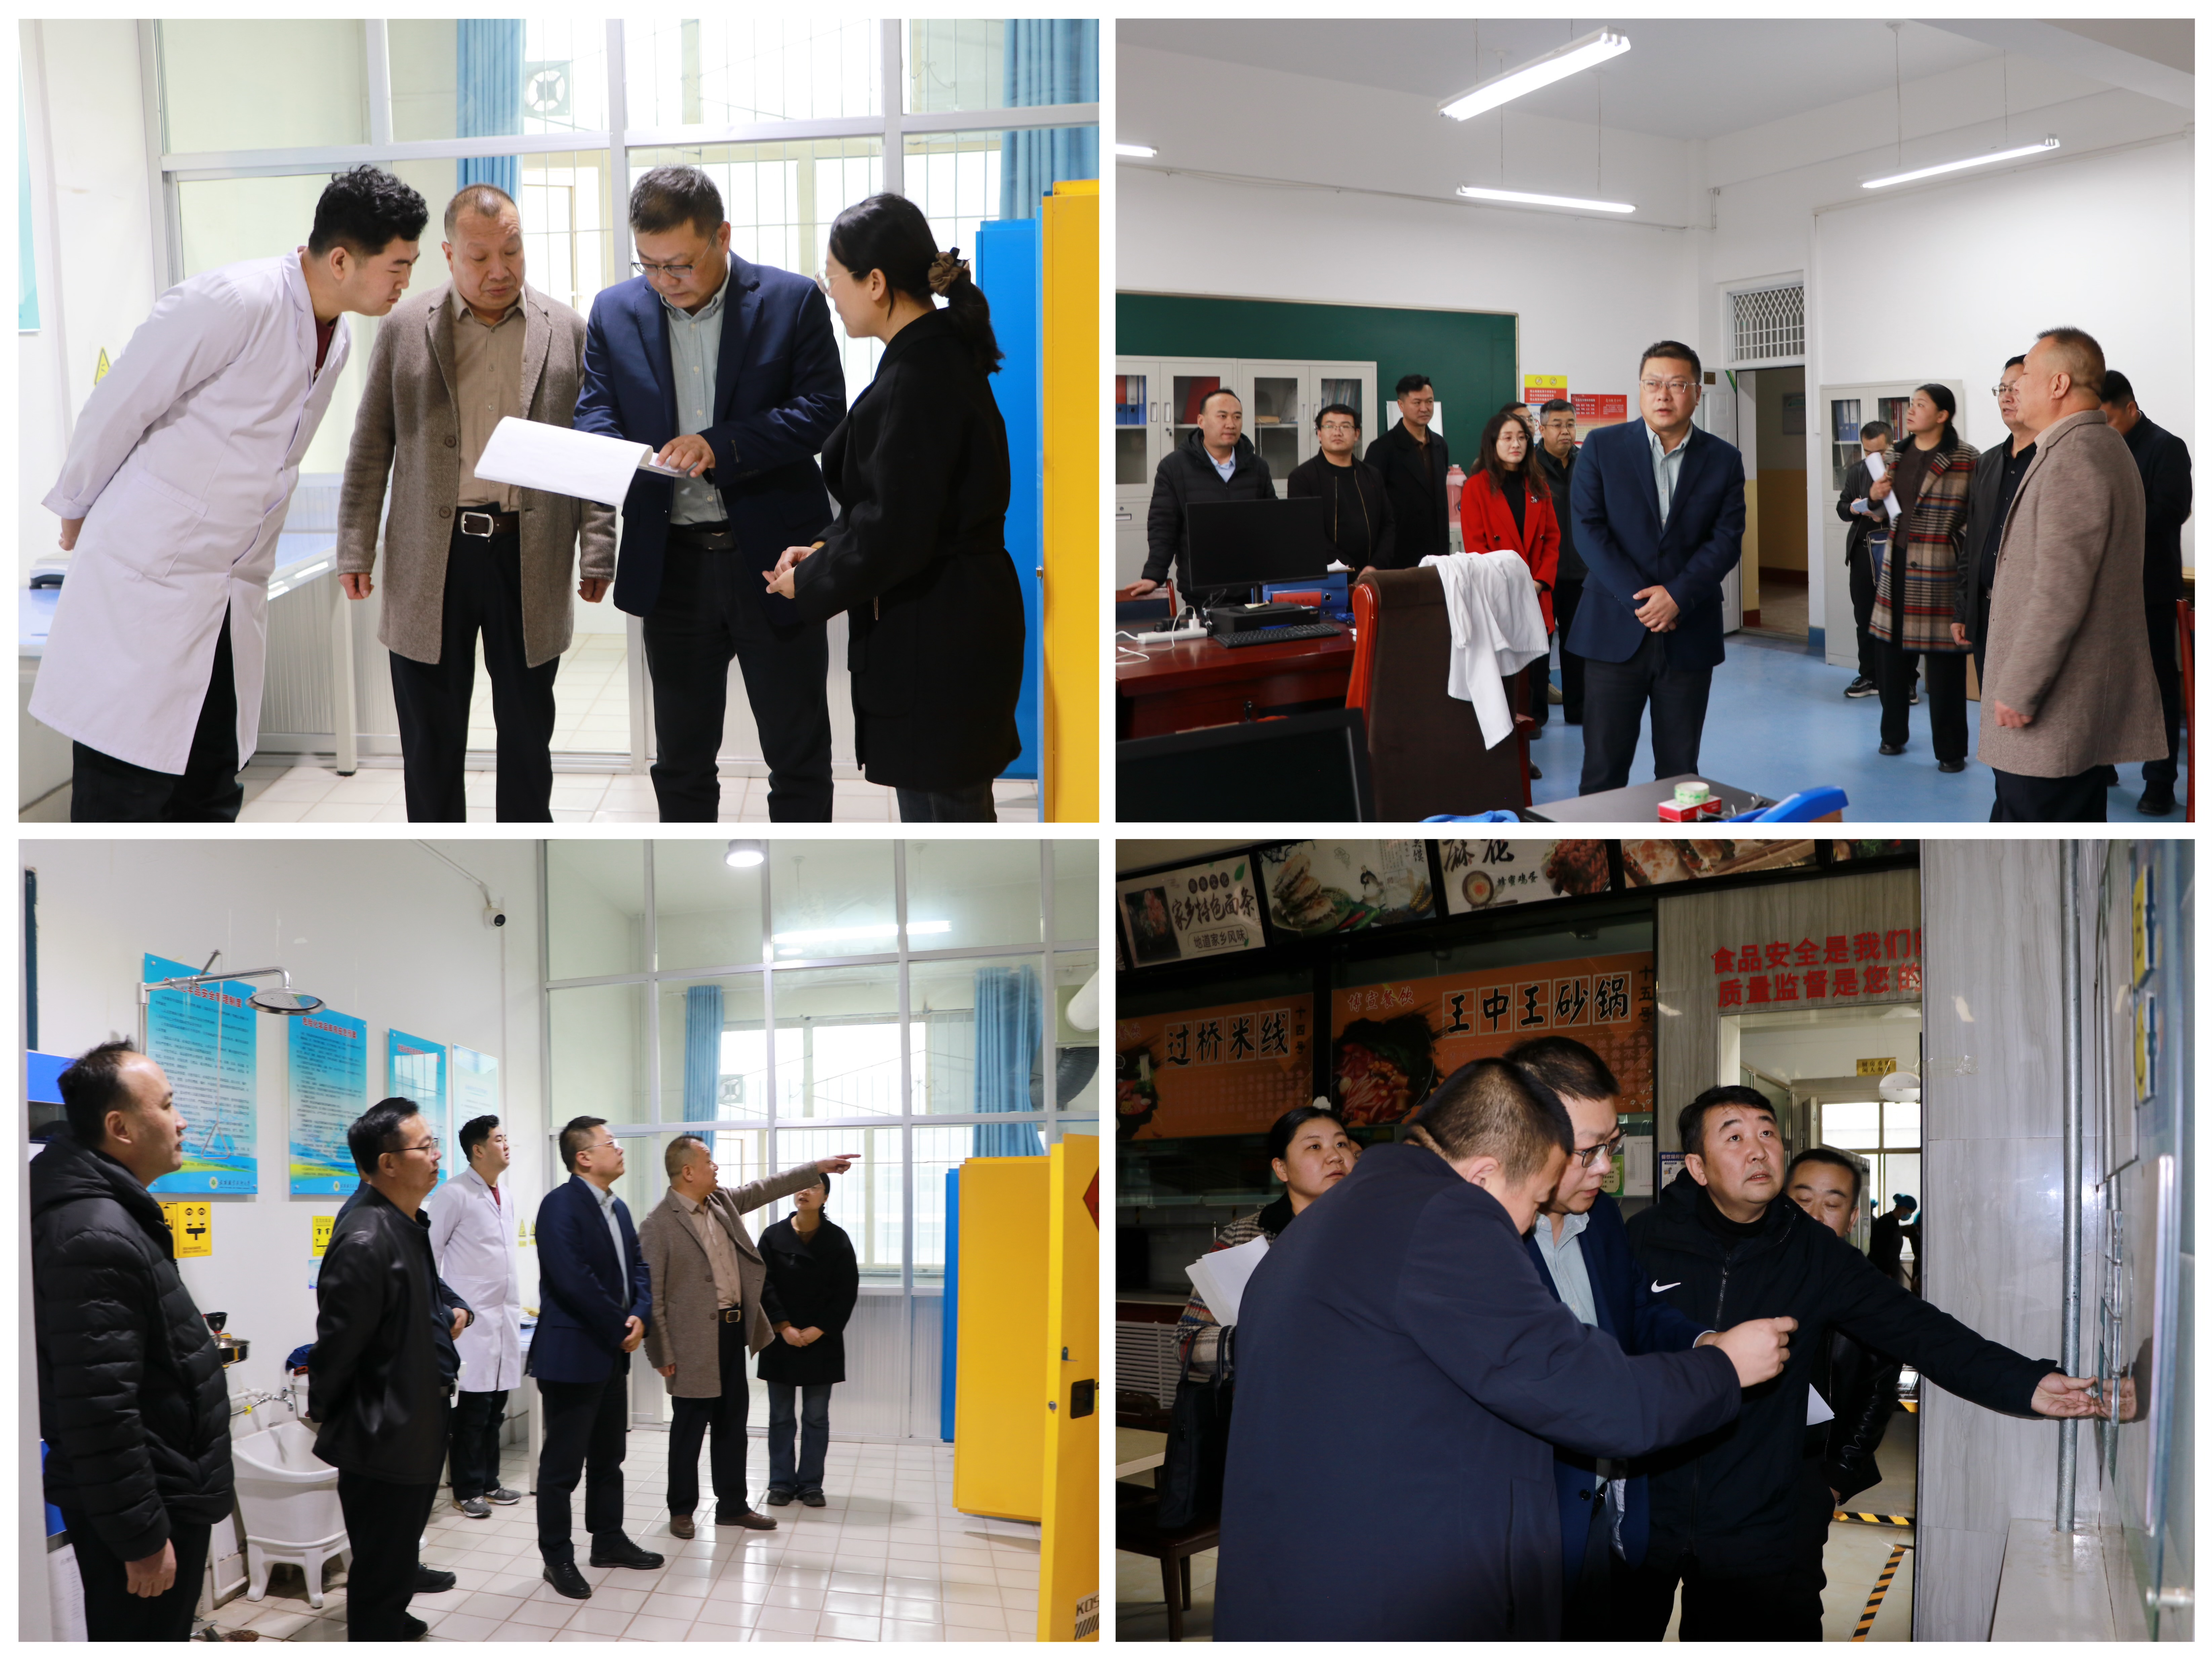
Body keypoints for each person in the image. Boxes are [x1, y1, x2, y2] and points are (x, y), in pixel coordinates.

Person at [1212, 1059, 1789, 1641]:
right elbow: (1586, 1392)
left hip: (1304, 1578)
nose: (1529, 1224)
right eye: (1535, 1201)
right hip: (1389, 1596)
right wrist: (1723, 1367)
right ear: (1485, 1175)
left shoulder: (1334, 1216)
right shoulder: (1446, 1217)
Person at [1620, 1086, 2107, 1641]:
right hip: (1642, 1509)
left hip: (1752, 1522)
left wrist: (2027, 1383)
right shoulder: (1644, 1240)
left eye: (1767, 1133)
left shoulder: (1815, 1253)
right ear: (1697, 1167)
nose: (1758, 1150)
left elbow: (1920, 1330)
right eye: (1734, 1138)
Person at [35, 166, 425, 822]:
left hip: (228, 590)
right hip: (151, 577)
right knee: (127, 795)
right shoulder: (233, 301)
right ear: (341, 260)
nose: (405, 282)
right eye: (398, 266)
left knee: (212, 787)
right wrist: (76, 504)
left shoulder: (335, 337)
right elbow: (121, 402)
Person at [575, 165, 846, 822]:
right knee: (681, 760)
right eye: (649, 265)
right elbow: (595, 411)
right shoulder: (614, 311)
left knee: (798, 753)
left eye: (680, 264)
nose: (664, 281)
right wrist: (612, 454)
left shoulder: (790, 301)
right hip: (671, 564)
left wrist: (720, 445)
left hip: (774, 562)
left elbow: (822, 410)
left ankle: (798, 866)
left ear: (721, 236)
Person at [337, 184, 615, 822]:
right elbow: (371, 445)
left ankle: (524, 847)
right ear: (448, 255)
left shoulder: (567, 331)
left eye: (511, 252)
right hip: (431, 558)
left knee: (527, 731)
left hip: (529, 553)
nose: (499, 270)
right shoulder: (405, 328)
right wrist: (355, 546)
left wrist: (598, 549)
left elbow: (591, 448)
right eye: (480, 256)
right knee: (430, 739)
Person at [1509, 1037, 1787, 1639]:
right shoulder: (1487, 1244)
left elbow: (1637, 1310)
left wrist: (1708, 1344)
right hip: (1527, 1528)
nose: (1605, 1169)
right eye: (1587, 1152)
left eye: (1610, 1147)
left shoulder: (1603, 1219)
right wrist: (1713, 1373)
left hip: (1607, 1510)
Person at [765, 194, 1024, 822]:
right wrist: (824, 548)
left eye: (834, 277)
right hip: (947, 614)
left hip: (940, 626)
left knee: (949, 814)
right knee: (938, 806)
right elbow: (889, 501)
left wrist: (812, 580)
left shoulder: (922, 374)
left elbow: (898, 528)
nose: (831, 293)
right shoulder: (928, 358)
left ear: (875, 282)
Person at [31, 1043, 232, 1641]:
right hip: (147, 1508)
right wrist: (141, 1537)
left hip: (161, 1489)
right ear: (120, 1128)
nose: (182, 1121)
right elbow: (100, 1408)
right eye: (167, 1106)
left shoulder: (111, 1214)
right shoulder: (93, 1233)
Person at [1978, 327, 2166, 822]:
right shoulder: (2091, 445)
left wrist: (2020, 686)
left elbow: (2059, 591)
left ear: (2058, 384)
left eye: (2026, 376)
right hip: (2066, 701)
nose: (2015, 388)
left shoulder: (2074, 457)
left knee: (2038, 826)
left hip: (2053, 706)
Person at [638, 1136, 856, 1537]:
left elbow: (766, 1187)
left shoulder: (721, 1202)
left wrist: (816, 1168)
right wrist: (661, 1352)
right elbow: (652, 1295)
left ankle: (733, 1506)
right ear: (688, 1171)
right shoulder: (659, 1224)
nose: (716, 1167)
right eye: (708, 1160)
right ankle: (682, 1510)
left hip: (730, 1332)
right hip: (690, 1343)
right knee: (689, 1429)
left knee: (731, 1424)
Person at [310, 1099, 462, 1642]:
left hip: (413, 1423)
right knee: (379, 1570)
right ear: (388, 1163)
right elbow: (338, 1349)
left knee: (396, 1561)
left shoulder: (405, 1223)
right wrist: (332, 1413)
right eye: (425, 1147)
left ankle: (393, 1621)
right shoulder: (366, 1238)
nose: (437, 1155)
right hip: (383, 1437)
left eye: (434, 1143)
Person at [1568, 341, 1747, 795]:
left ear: (1697, 393)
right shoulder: (1601, 447)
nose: (1663, 395)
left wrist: (1676, 596)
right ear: (1640, 389)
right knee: (1603, 770)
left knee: (1680, 772)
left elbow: (1726, 540)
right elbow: (1588, 530)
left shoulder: (1723, 459)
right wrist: (1645, 601)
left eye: (1677, 384)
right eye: (1653, 383)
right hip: (1612, 628)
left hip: (1689, 630)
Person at [529, 1117, 663, 1599]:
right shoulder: (559, 1206)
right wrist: (621, 1326)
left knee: (610, 1458)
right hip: (572, 1354)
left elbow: (640, 1267)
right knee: (562, 1467)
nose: (620, 1150)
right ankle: (557, 1558)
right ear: (583, 1157)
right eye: (611, 1143)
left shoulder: (618, 1208)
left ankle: (608, 1541)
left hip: (610, 1353)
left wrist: (641, 1314)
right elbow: (573, 1280)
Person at [1785, 1147, 1903, 1599]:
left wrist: (1837, 1477)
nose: (1815, 1215)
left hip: (1811, 1469)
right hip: (1739, 1470)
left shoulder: (1869, 1295)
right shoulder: (1746, 1277)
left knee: (1795, 1595)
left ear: (1852, 1218)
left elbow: (1878, 1392)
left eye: (1831, 1204)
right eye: (1802, 1201)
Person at [1176, 1102, 1357, 1349]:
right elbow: (1187, 1343)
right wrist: (1261, 1338)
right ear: (1282, 1169)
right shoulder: (1243, 1237)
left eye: (1342, 1144)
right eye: (1315, 1146)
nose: (1336, 1156)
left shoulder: (1381, 1231)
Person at [1866, 384, 1978, 771]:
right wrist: (1874, 495)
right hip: (1895, 568)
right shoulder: (1894, 455)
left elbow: (1978, 518)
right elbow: (1881, 512)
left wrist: (1950, 543)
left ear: (1942, 415)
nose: (1911, 411)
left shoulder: (1966, 459)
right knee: (1890, 662)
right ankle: (1892, 734)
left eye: (1920, 405)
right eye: (1910, 404)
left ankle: (1950, 751)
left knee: (1945, 670)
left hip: (1939, 573)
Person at [2097, 370, 2193, 816]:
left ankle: (2159, 781)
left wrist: (2110, 518)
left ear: (2130, 408)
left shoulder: (2165, 447)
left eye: (2108, 418)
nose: (2102, 428)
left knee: (2156, 686)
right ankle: (2102, 764)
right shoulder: (2100, 447)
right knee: (2102, 681)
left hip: (2149, 587)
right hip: (2103, 588)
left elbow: (2171, 511)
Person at [426, 1114, 525, 1518]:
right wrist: (443, 1309)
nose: (507, 1145)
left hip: (504, 1317)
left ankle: (489, 1481)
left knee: (496, 1406)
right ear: (478, 1150)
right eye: (499, 1139)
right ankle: (466, 1489)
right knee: (471, 1410)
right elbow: (429, 1256)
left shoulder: (505, 1195)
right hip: (470, 1321)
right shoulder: (453, 1194)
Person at [757, 1172, 863, 1507]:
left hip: (822, 1341)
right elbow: (762, 1285)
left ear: (825, 1197)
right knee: (780, 1417)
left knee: (816, 1417)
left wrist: (820, 1328)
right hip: (781, 1340)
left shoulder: (837, 1239)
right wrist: (783, 1326)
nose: (805, 1191)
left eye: (814, 1187)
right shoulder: (773, 1236)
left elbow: (846, 1291)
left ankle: (811, 1485)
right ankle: (780, 1483)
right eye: (801, 1186)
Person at [1461, 407, 1561, 739]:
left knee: (1537, 666)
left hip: (1536, 592)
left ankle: (1534, 722)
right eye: (1507, 438)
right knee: (1505, 667)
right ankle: (1506, 725)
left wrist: (1539, 581)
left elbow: (1552, 539)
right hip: (1499, 593)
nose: (1516, 444)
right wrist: (1513, 583)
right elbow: (1476, 545)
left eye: (1521, 438)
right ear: (1492, 443)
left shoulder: (1538, 485)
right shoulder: (1476, 487)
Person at [1131, 388, 1274, 602]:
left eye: (1237, 417)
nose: (1231, 424)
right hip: (1202, 593)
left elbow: (1272, 523)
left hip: (1253, 590)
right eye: (1222, 416)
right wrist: (1154, 574)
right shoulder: (1174, 467)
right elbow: (1163, 525)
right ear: (1201, 421)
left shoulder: (1258, 467)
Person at [1952, 358, 2037, 690]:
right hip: (1985, 610)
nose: (2006, 397)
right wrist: (1962, 611)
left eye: (2015, 388)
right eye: (2001, 389)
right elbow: (1972, 543)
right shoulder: (1986, 462)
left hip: (2029, 615)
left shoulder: (2051, 459)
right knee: (1990, 704)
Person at [1285, 404, 1397, 569]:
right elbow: (1308, 534)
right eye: (1330, 426)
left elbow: (1388, 525)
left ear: (1357, 434)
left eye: (1345, 426)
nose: (1337, 432)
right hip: (1329, 575)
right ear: (1320, 434)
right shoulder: (1302, 478)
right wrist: (1351, 569)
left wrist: (1375, 566)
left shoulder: (1373, 475)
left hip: (1373, 574)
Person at [1532, 399, 1588, 722]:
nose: (1565, 431)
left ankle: (1578, 710)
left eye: (1570, 424)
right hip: (1543, 575)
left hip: (1581, 572)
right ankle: (1536, 716)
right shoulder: (1530, 466)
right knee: (1539, 647)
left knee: (1577, 645)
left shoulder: (1586, 463)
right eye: (1557, 425)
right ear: (1541, 429)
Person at [1835, 419, 1895, 698]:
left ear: (1891, 446)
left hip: (1894, 551)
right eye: (1867, 452)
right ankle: (1869, 676)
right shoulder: (1857, 470)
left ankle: (1905, 680)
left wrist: (1884, 514)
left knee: (1898, 619)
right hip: (1862, 552)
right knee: (1864, 617)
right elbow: (1842, 507)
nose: (1873, 458)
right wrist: (1855, 508)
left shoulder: (1902, 471)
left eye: (1879, 452)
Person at [1367, 373, 1453, 563]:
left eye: (1429, 402)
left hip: (1438, 552)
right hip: (1399, 550)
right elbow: (1372, 506)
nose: (1425, 408)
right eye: (1417, 403)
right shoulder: (1382, 448)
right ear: (1401, 405)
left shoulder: (1440, 445)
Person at [1868, 1191, 1916, 1285]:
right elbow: (1879, 1250)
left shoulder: (1895, 1223)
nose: (1910, 1215)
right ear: (1904, 1208)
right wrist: (1886, 1272)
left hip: (1890, 1274)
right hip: (1883, 1274)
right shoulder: (1885, 1223)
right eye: (1910, 1212)